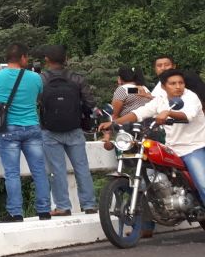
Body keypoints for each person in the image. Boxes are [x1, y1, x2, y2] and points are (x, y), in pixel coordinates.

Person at [103, 69, 205, 237]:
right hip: (173, 147)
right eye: (173, 84)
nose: (178, 87)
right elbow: (138, 113)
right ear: (164, 87)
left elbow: (189, 115)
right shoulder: (160, 100)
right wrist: (114, 123)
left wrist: (169, 113)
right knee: (147, 179)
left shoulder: (190, 97)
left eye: (180, 83)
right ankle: (146, 225)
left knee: (203, 184)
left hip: (194, 147)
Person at [0, 43, 52, 222]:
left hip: (8, 129)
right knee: (39, 171)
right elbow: (41, 96)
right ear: (23, 58)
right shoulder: (36, 77)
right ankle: (44, 211)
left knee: (11, 173)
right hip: (32, 127)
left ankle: (15, 213)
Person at [37, 45, 97, 217]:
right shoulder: (76, 78)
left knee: (57, 169)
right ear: (66, 58)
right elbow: (90, 103)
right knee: (82, 167)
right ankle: (89, 204)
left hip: (49, 130)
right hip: (74, 128)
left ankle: (63, 206)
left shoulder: (40, 79)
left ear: (46, 59)